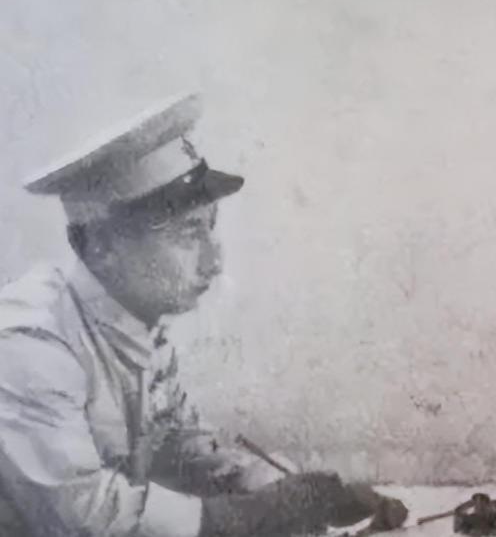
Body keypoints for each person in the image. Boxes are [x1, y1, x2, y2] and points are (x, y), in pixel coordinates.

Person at [0, 94, 406, 536]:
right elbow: (86, 517)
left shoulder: (134, 324)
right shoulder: (29, 344)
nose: (215, 262)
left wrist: (272, 484)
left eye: (210, 226)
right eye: (188, 233)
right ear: (100, 246)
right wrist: (258, 513)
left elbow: (173, 444)